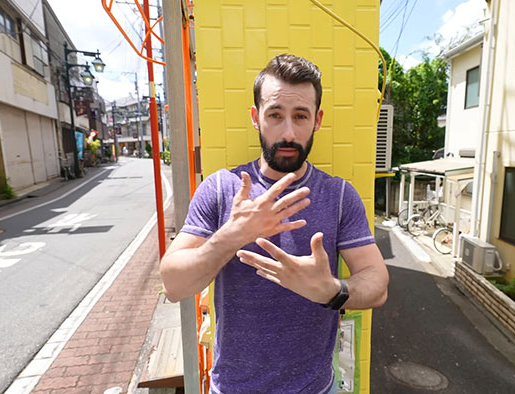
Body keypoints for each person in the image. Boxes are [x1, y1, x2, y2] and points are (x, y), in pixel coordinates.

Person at [160, 54, 389, 394]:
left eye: (300, 116)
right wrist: (233, 235)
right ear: (256, 118)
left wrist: (331, 291)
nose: (288, 132)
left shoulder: (339, 195)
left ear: (317, 120)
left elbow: (378, 284)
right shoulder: (222, 189)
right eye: (275, 115)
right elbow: (173, 284)